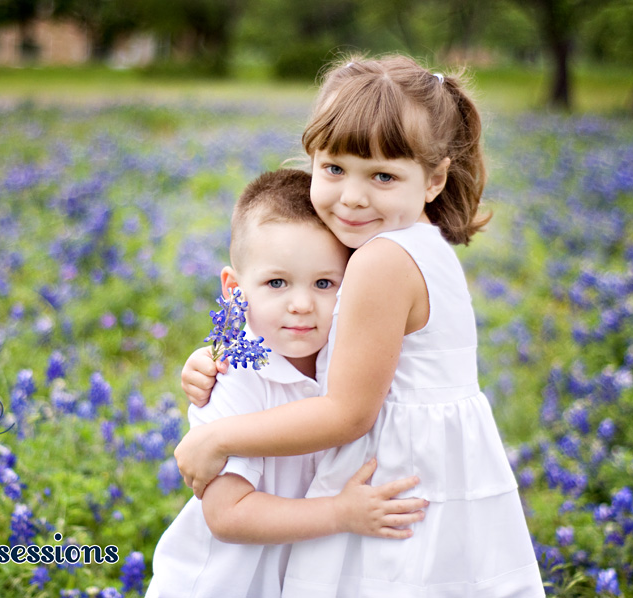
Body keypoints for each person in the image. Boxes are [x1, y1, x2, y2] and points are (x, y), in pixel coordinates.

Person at [175, 55, 545, 596]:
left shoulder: (379, 260)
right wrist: (220, 350)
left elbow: (347, 411)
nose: (351, 196)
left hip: (388, 482)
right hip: (434, 478)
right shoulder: (419, 246)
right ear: (312, 157)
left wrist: (216, 437)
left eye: (383, 175)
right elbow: (319, 346)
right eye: (333, 169)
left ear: (434, 178)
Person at [147, 168, 427, 598]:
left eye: (324, 283)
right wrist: (340, 514)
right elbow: (227, 517)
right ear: (234, 289)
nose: (300, 305)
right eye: (277, 282)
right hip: (222, 587)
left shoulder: (352, 362)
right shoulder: (230, 377)